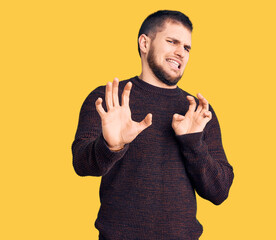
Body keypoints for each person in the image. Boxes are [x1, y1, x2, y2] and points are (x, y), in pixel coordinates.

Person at [72, 10, 234, 240]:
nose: (181, 52)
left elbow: (219, 191)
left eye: (187, 48)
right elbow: (81, 163)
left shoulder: (198, 113)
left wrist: (193, 143)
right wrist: (111, 146)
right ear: (144, 43)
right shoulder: (109, 99)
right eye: (172, 42)